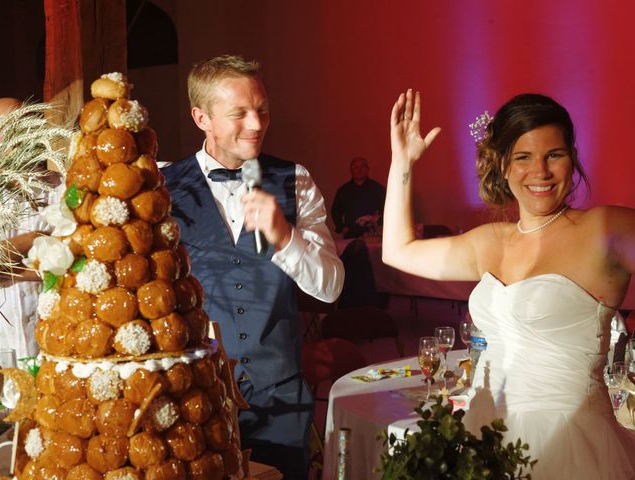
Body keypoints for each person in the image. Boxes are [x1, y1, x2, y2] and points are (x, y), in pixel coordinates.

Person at [382, 89, 635, 478]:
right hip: (484, 436)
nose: (541, 172)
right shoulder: (492, 241)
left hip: (571, 443)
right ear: (502, 166)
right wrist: (403, 163)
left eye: (555, 154)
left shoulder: (605, 229)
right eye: (523, 157)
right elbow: (397, 251)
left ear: (572, 159)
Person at [162, 55, 344, 479]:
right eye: (239, 113)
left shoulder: (295, 180)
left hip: (280, 394)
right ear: (201, 117)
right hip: (193, 397)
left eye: (262, 109)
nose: (257, 124)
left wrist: (286, 237)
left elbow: (332, 287)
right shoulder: (163, 189)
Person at [0, 98, 56, 358]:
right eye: (7, 130)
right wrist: (38, 238)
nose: (19, 139)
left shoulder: (63, 191)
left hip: (51, 351)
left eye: (26, 127)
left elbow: (76, 263)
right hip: (0, 352)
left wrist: (10, 271)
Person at [331, 156, 386, 238]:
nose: (359, 170)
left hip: (373, 233)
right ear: (351, 170)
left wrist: (381, 225)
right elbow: (335, 211)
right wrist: (342, 228)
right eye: (355, 167)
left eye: (362, 166)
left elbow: (386, 208)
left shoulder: (377, 188)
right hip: (351, 233)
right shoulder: (344, 190)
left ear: (367, 169)